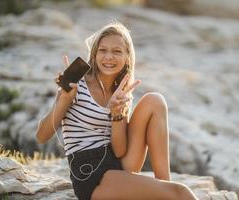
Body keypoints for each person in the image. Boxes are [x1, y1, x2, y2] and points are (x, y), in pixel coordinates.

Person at [36, 22, 199, 200]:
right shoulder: (77, 83)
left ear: (127, 56)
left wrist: (116, 113)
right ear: (95, 54)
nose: (109, 57)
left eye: (117, 51)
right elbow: (42, 136)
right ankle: (169, 194)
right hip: (91, 173)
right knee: (181, 193)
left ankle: (164, 186)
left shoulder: (120, 91)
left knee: (155, 100)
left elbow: (120, 151)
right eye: (103, 50)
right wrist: (65, 98)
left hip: (116, 158)